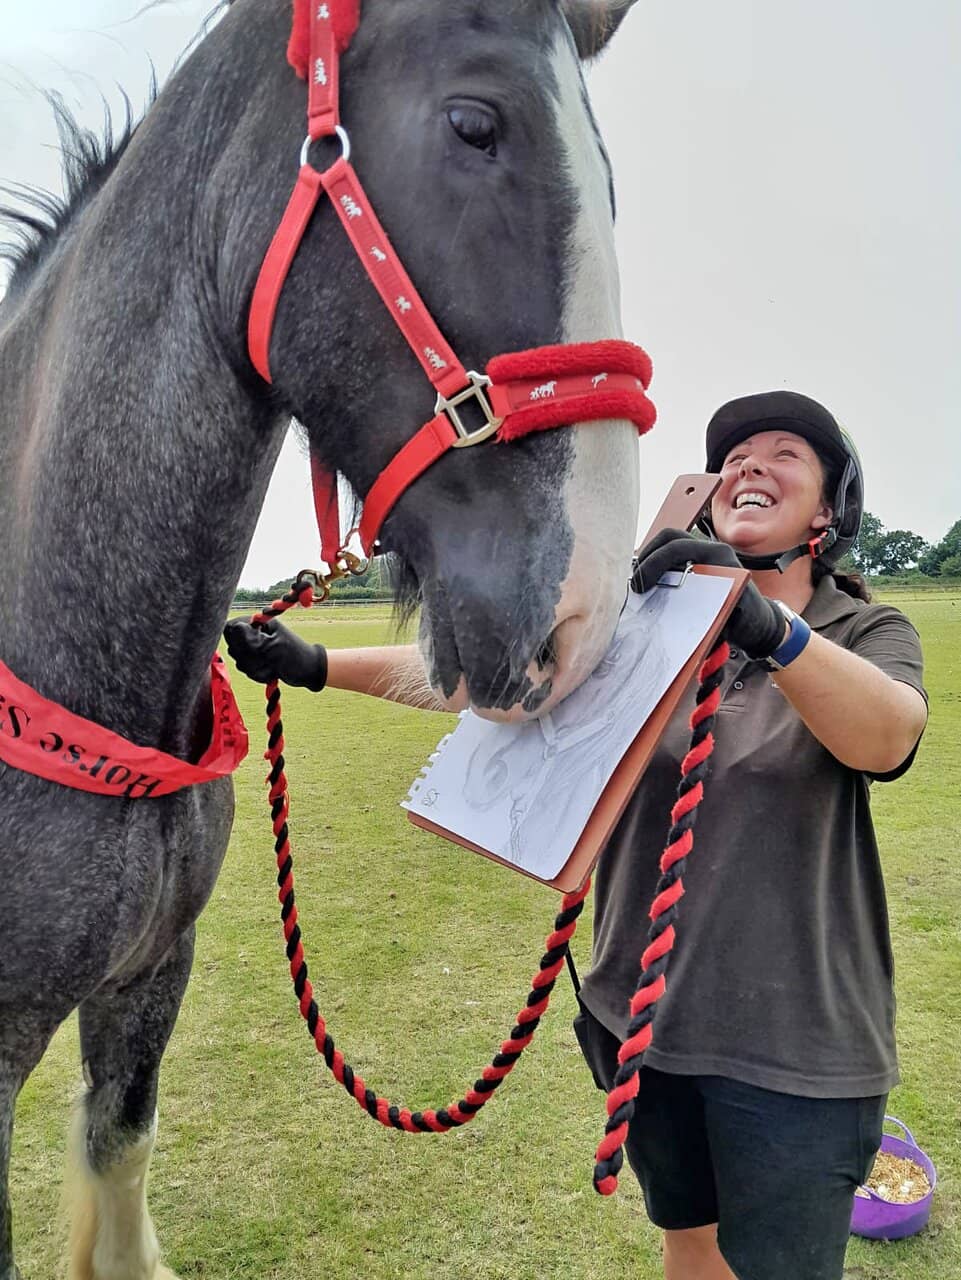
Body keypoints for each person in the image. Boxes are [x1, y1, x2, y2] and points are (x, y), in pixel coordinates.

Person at [224, 389, 927, 1280]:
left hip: (795, 1045)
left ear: (828, 510)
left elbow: (885, 736)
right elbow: (495, 684)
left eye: (784, 453)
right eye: (733, 458)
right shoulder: (645, 618)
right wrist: (317, 663)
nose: (749, 465)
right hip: (644, 1019)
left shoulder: (863, 628)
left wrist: (766, 628)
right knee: (689, 1246)